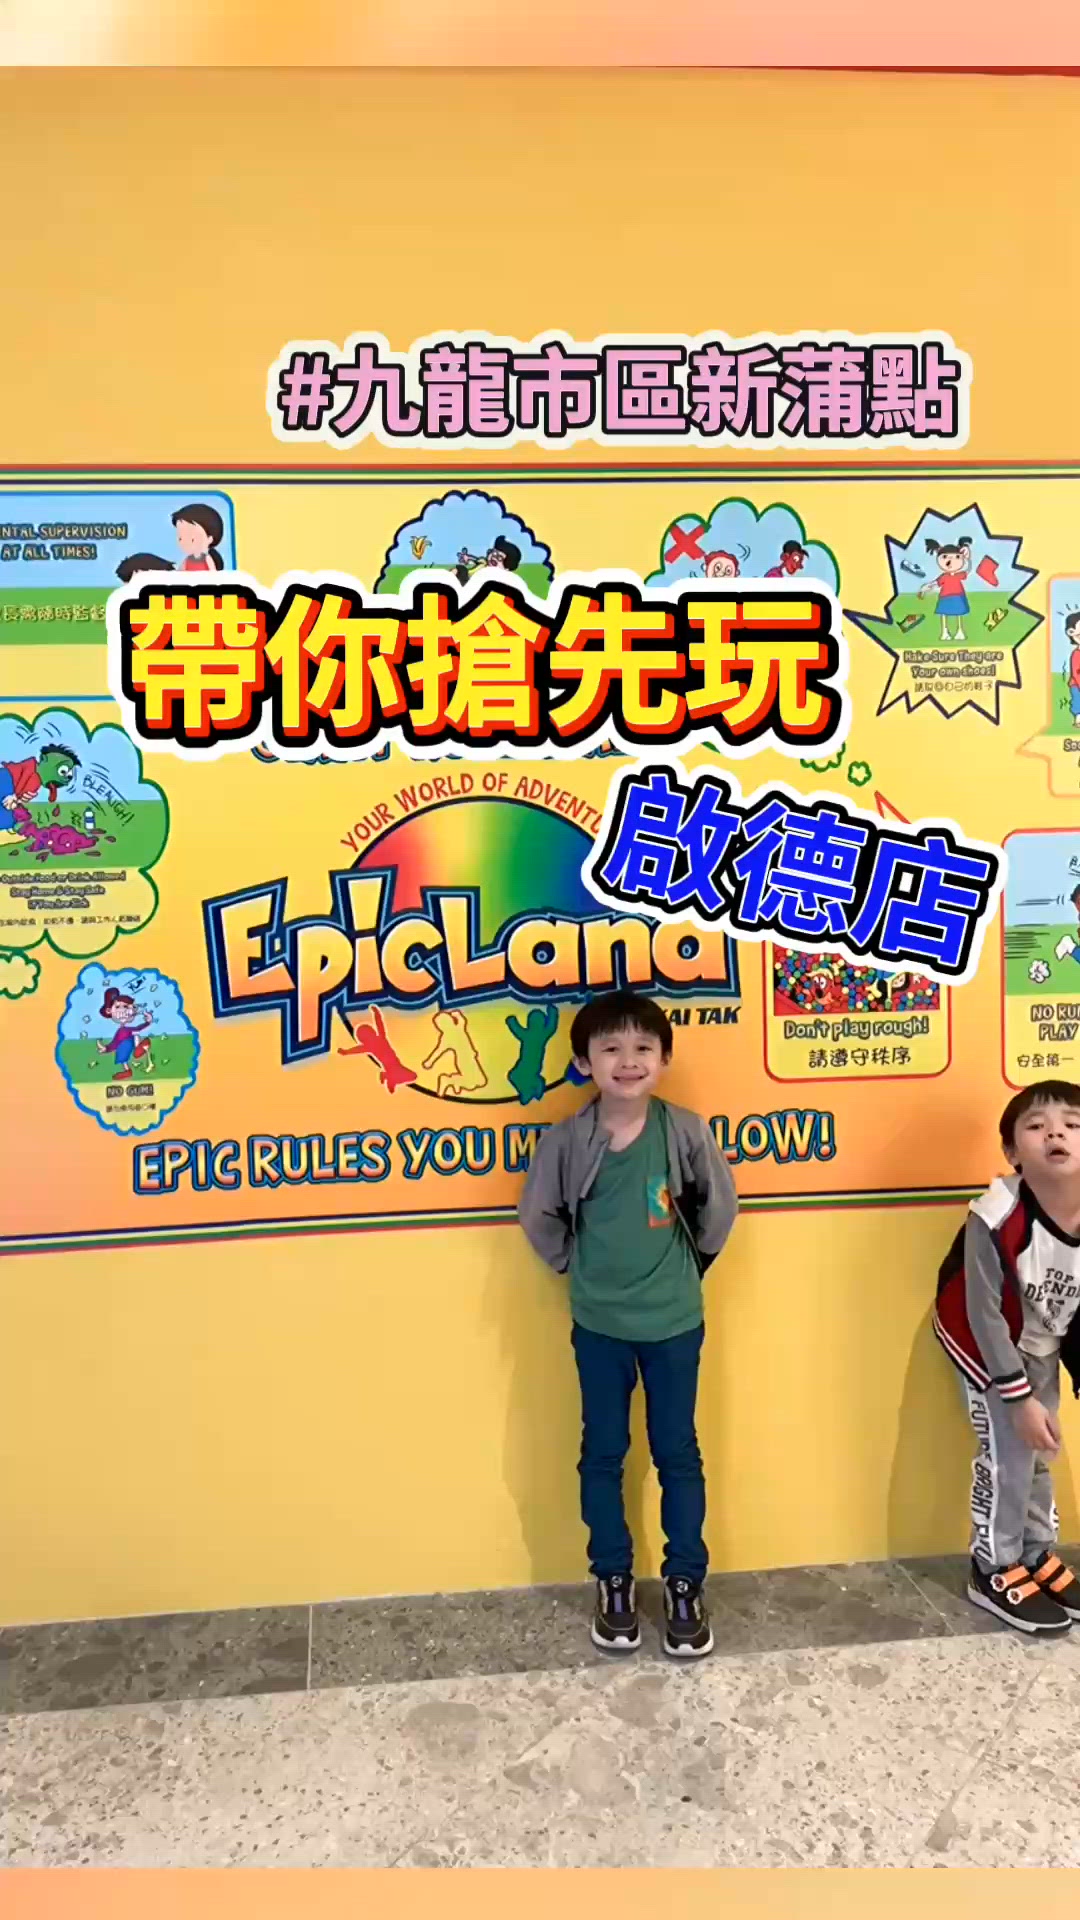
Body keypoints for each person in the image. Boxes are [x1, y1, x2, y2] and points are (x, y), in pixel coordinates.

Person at [518, 990, 738, 1661]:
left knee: (678, 1453)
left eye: (643, 1047)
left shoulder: (684, 1131)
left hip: (674, 1323)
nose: (628, 1060)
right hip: (600, 1325)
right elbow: (539, 1216)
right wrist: (576, 1268)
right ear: (585, 1062)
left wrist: (687, 1270)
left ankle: (684, 1583)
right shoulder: (567, 1140)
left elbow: (718, 1209)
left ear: (664, 1058)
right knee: (603, 1453)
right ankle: (612, 1578)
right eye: (610, 1048)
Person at [934, 1080, 1080, 1634]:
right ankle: (993, 1566)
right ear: (1013, 1152)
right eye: (1037, 1127)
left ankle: (1035, 1552)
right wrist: (1016, 1397)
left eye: (1072, 1125)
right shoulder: (995, 1214)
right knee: (1008, 1457)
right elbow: (984, 1312)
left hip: (1042, 1339)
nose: (1056, 1134)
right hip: (985, 1344)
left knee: (1041, 1448)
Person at [920, 535, 972, 642]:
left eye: (957, 557)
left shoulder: (958, 575)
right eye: (945, 557)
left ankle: (960, 631)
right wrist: (926, 587)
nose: (950, 561)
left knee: (959, 613)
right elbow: (936, 583)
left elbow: (968, 570)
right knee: (944, 614)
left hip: (958, 595)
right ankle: (944, 631)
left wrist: (969, 559)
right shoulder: (944, 576)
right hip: (945, 597)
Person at [171, 503, 225, 572]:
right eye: (180, 538)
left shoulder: (207, 559)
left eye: (192, 539)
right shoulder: (188, 560)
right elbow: (180, 571)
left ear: (210, 538)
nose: (186, 543)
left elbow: (213, 573)